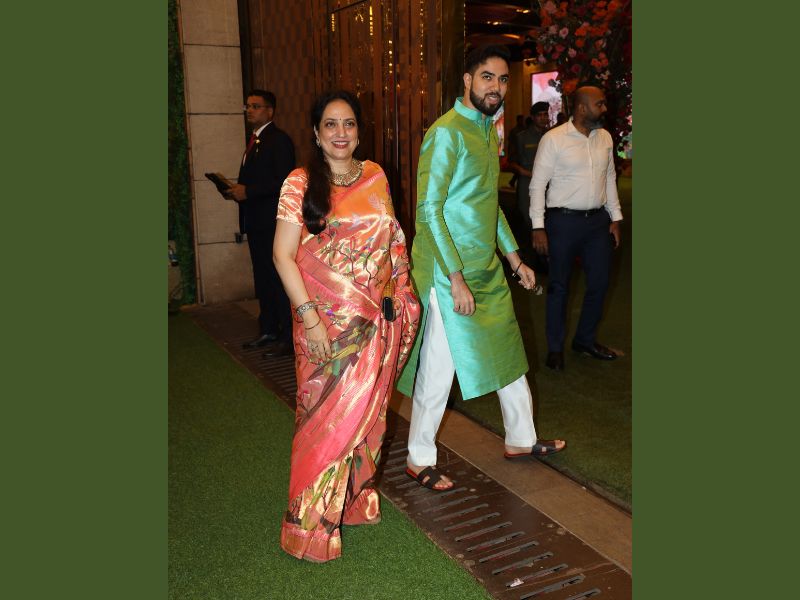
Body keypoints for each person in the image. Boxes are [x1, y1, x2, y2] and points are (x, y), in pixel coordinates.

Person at [397, 45, 565, 492]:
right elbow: (428, 211)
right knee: (439, 368)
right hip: (446, 272)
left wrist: (515, 259)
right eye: (487, 77)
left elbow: (489, 208)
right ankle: (419, 458)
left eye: (503, 79)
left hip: (486, 268)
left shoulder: (489, 132)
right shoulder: (446, 133)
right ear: (467, 80)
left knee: (508, 353)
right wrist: (454, 279)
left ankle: (521, 439)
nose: (497, 87)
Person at [272, 90, 420, 562]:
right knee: (323, 422)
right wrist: (310, 318)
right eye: (331, 124)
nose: (341, 133)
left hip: (375, 320)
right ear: (316, 133)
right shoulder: (299, 182)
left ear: (359, 131)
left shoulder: (375, 175)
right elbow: (282, 255)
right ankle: (310, 528)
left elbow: (393, 242)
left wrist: (400, 294)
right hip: (323, 325)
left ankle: (353, 501)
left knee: (368, 415)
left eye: (349, 124)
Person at [529, 85, 623, 371]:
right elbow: (537, 185)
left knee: (600, 282)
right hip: (563, 222)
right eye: (600, 104)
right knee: (559, 286)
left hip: (598, 223)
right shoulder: (554, 139)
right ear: (582, 108)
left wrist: (615, 218)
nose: (604, 109)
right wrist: (538, 227)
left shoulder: (604, 138)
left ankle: (585, 340)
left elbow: (609, 178)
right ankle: (555, 348)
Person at [229, 90, 296, 354]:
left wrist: (249, 191)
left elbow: (285, 182)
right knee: (263, 278)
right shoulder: (254, 140)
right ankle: (268, 328)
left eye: (256, 106)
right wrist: (236, 191)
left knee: (278, 279)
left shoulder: (279, 140)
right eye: (247, 106)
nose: (250, 110)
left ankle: (288, 336)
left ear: (270, 110)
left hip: (273, 223)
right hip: (256, 221)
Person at [510, 101, 551, 235]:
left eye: (545, 114)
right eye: (539, 115)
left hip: (549, 183)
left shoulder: (552, 136)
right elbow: (512, 163)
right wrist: (529, 174)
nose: (543, 118)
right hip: (527, 183)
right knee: (529, 220)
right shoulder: (521, 137)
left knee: (548, 219)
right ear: (532, 117)